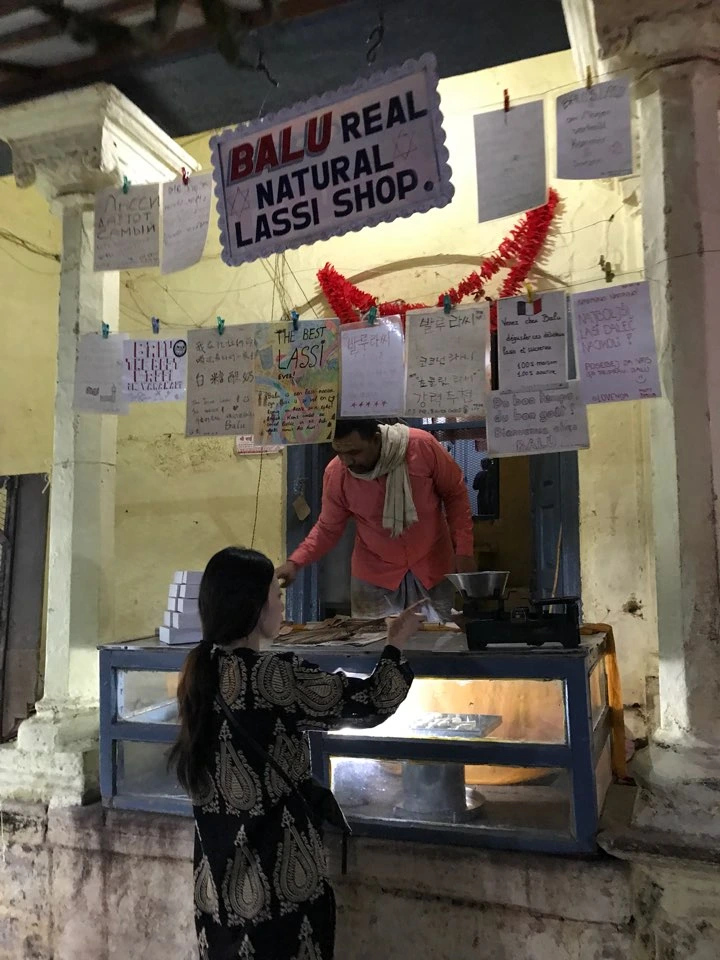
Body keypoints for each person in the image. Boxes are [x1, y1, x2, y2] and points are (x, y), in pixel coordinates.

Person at [169, 546, 418, 960]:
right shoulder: (271, 675)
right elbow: (371, 701)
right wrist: (395, 646)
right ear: (253, 607)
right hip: (279, 890)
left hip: (217, 892)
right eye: (275, 593)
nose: (281, 602)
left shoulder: (199, 669)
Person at [276, 418, 475, 622]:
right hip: (375, 576)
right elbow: (328, 528)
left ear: (376, 439)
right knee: (373, 640)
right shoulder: (337, 474)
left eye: (354, 452)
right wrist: (295, 562)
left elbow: (455, 496)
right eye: (339, 452)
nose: (347, 461)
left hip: (432, 567)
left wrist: (464, 551)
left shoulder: (422, 446)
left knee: (435, 638)